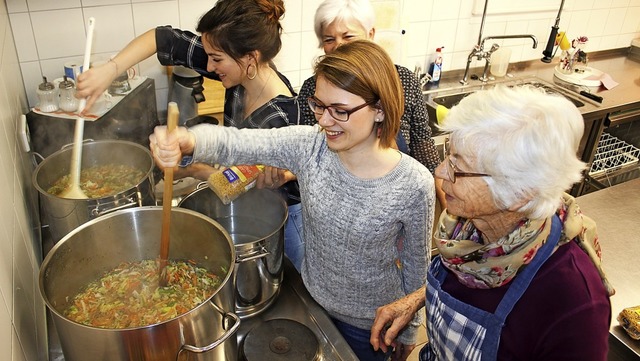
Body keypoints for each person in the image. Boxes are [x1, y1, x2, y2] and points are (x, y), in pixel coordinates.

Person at [150, 40, 435, 361]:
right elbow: (239, 143)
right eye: (319, 106)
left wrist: (409, 329)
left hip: (372, 326)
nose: (325, 121)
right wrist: (189, 140)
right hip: (312, 304)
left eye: (340, 111)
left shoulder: (414, 184)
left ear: (379, 109)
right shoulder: (311, 145)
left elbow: (417, 267)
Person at [370, 85, 614, 360]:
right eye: (447, 157)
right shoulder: (467, 227)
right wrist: (414, 300)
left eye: (458, 167)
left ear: (520, 193)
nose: (440, 172)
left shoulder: (574, 302)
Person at [75, 0, 302, 225]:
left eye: (216, 59)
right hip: (244, 199)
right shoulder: (241, 73)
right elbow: (163, 39)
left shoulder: (282, 118)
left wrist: (191, 169)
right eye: (209, 56)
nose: (210, 67)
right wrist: (110, 70)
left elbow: (237, 184)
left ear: (250, 57)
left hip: (280, 222)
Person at [282, 0, 445, 271]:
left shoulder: (401, 79)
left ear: (371, 35)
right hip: (344, 212)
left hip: (397, 204)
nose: (339, 46)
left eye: (348, 36)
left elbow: (421, 141)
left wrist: (444, 203)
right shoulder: (314, 88)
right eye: (329, 39)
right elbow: (315, 155)